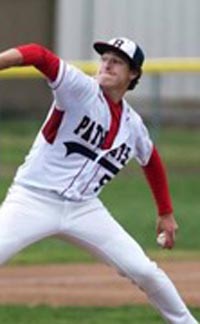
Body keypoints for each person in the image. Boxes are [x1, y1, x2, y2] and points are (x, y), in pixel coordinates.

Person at [0, 37, 198, 323]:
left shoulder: (133, 125)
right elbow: (37, 54)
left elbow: (151, 160)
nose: (107, 64)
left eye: (117, 61)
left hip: (84, 209)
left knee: (144, 271)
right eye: (105, 58)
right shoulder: (80, 89)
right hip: (33, 200)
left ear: (133, 75)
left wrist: (166, 213)